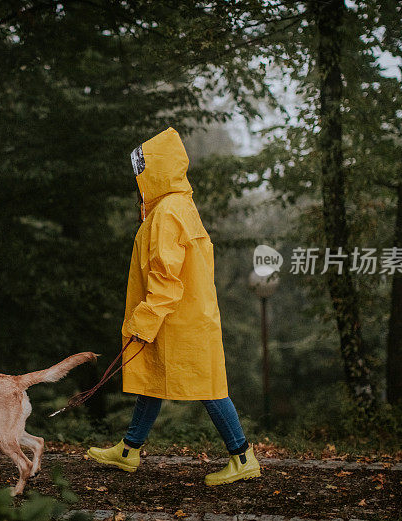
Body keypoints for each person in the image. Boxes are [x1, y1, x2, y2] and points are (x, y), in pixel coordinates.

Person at [86, 127, 260, 486]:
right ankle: (129, 450)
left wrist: (143, 322)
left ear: (158, 170)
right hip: (184, 317)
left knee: (208, 388)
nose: (139, 179)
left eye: (143, 170)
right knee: (153, 381)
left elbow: (166, 278)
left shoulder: (167, 213)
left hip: (176, 319)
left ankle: (242, 456)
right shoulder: (180, 206)